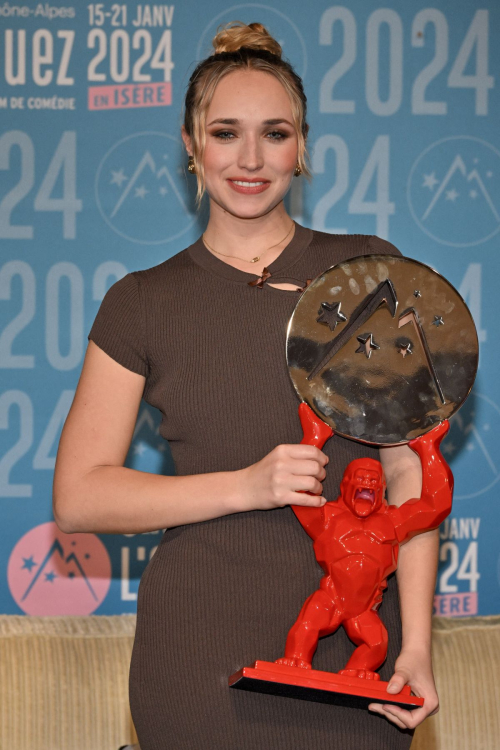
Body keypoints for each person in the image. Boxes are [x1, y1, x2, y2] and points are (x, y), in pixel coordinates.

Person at [53, 21, 440, 750]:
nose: (252, 159)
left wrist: (415, 643)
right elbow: (78, 497)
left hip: (355, 663)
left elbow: (407, 471)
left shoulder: (370, 271)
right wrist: (249, 484)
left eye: (277, 133)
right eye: (227, 133)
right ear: (190, 147)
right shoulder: (143, 301)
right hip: (196, 660)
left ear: (303, 147)